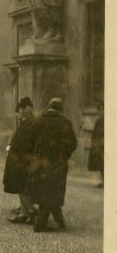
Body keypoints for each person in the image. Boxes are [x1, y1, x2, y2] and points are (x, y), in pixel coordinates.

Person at [26, 97, 77, 232]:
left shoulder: (38, 121)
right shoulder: (65, 122)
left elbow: (29, 142)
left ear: (49, 106)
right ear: (60, 109)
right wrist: (64, 156)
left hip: (40, 163)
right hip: (58, 164)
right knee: (53, 191)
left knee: (44, 190)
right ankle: (40, 225)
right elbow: (72, 143)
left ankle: (59, 222)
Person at [3, 97, 38, 224]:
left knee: (23, 187)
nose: (22, 111)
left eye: (25, 108)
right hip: (19, 159)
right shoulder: (25, 123)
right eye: (21, 109)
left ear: (30, 108)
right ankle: (25, 212)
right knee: (20, 187)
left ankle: (32, 212)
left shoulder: (31, 123)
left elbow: (28, 143)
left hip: (24, 160)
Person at [88, 101, 104, 189]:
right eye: (99, 111)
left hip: (103, 145)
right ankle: (103, 181)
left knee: (104, 164)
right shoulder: (99, 120)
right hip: (99, 145)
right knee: (101, 165)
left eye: (100, 110)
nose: (99, 112)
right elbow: (95, 133)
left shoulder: (103, 120)